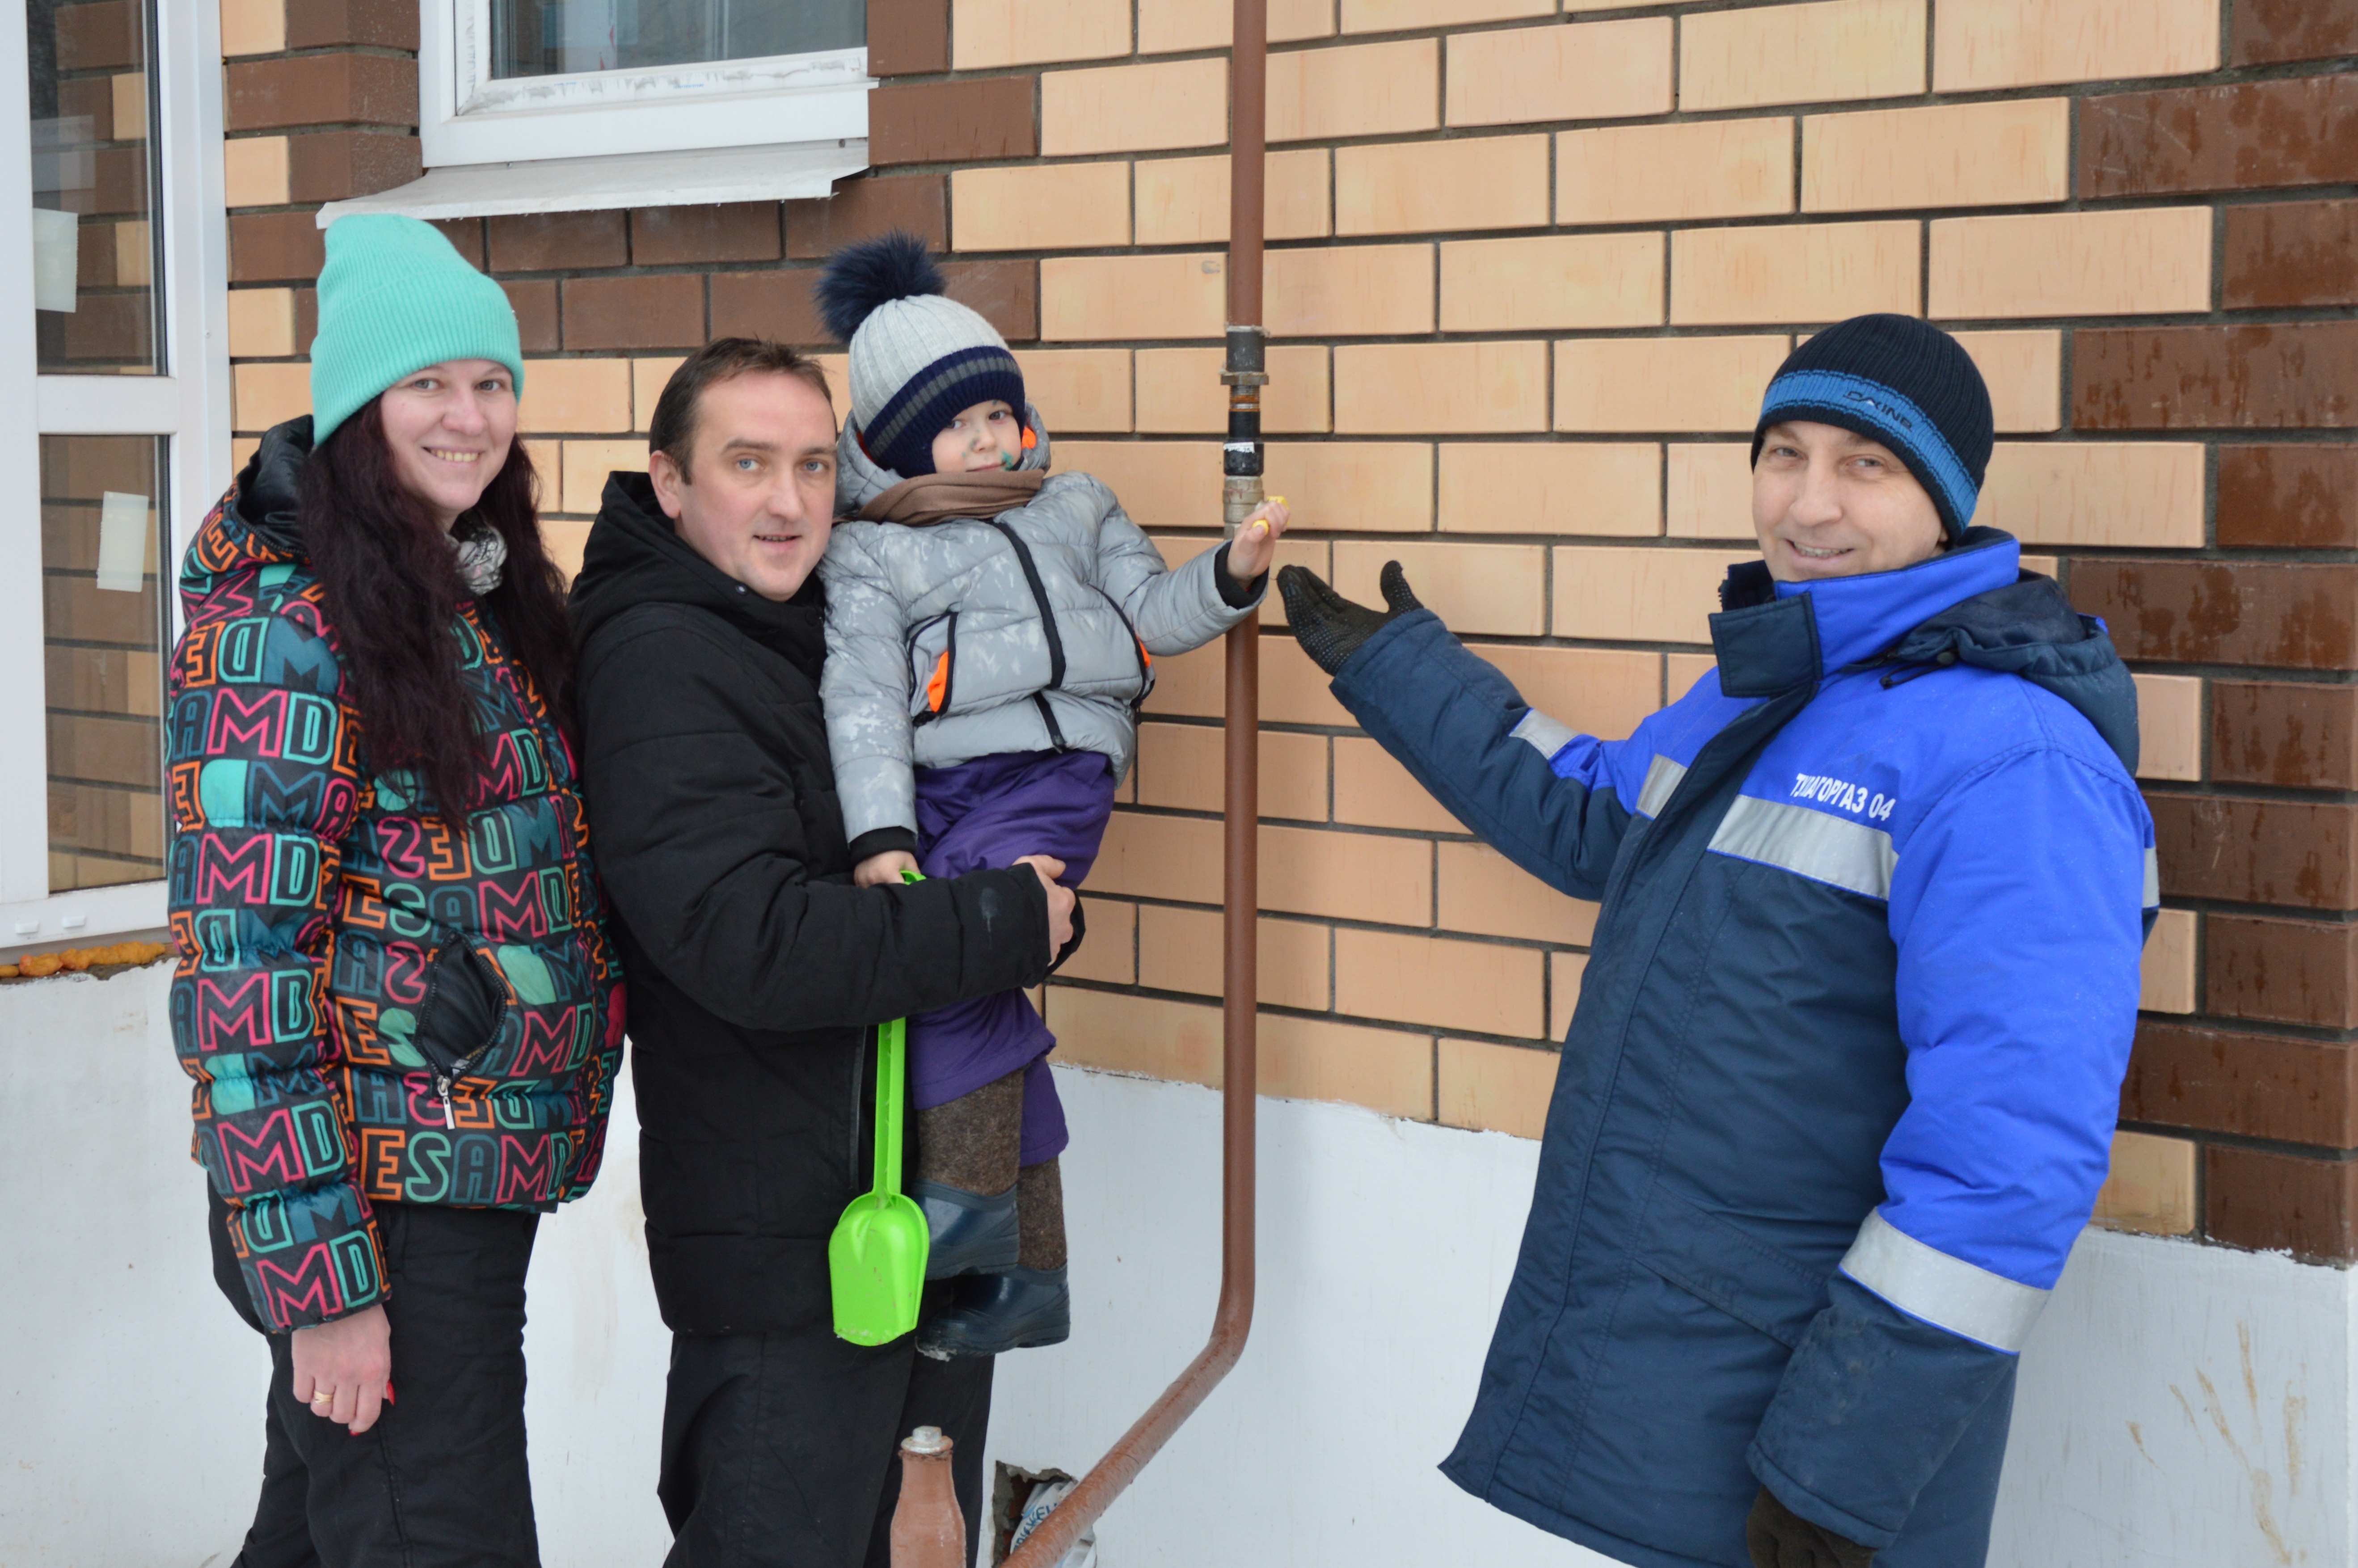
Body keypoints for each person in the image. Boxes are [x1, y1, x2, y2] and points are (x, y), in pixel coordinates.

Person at [1277, 315, 2156, 1568]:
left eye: (1864, 464)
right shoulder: (1777, 690)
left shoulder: (2012, 761)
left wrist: (1834, 1478)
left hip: (1819, 1445)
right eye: (1781, 452)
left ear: (1945, 504)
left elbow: (2005, 1159)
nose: (1805, 504)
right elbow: (1596, 814)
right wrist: (1402, 668)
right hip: (1691, 1395)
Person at [567, 336, 1080, 1565]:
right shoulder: (660, 656)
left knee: (914, 1544)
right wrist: (1001, 919)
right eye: (748, 463)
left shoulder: (804, 626)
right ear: (670, 481)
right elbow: (751, 940)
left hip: (911, 1204)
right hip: (788, 1251)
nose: (791, 500)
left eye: (812, 463)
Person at [169, 213, 624, 1565]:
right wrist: (323, 1290)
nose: (469, 415)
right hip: (375, 1209)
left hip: (455, 1180)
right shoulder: (281, 626)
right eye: (428, 384)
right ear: (360, 409)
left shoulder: (463, 591)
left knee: (320, 1534)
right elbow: (241, 981)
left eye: (491, 383)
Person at [811, 233, 1288, 1357]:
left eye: (998, 413)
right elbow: (864, 699)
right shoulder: (870, 552)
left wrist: (1229, 574)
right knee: (941, 969)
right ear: (888, 443)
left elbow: (1149, 612)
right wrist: (880, 832)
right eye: (957, 423)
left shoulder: (1073, 504)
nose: (988, 440)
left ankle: (967, 1206)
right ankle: (1032, 1275)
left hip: (1054, 772)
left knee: (961, 954)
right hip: (937, 786)